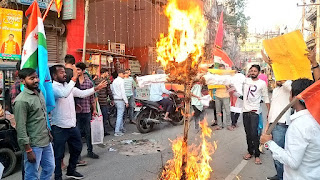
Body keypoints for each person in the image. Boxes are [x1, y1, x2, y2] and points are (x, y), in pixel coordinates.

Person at [50, 65, 107, 180]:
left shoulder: (67, 86)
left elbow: (81, 93)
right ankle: (58, 176)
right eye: (61, 73)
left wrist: (96, 89)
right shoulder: (53, 87)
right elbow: (64, 94)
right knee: (58, 154)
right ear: (54, 76)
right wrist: (74, 78)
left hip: (72, 125)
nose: (64, 74)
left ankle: (71, 171)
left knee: (77, 148)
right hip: (59, 127)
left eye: (64, 72)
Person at [261, 79, 320, 180]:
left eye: (290, 93)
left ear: (294, 97)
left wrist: (269, 143)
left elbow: (293, 162)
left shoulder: (299, 125)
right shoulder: (315, 119)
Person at [14, 68, 55, 180]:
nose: (36, 80)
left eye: (36, 77)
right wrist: (28, 149)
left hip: (45, 140)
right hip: (33, 144)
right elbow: (21, 128)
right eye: (31, 78)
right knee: (32, 175)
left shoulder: (39, 93)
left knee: (49, 168)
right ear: (22, 81)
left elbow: (42, 117)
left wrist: (48, 132)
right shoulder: (21, 101)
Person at [263, 80, 292, 180]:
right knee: (274, 153)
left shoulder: (289, 86)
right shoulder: (276, 90)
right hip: (272, 124)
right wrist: (267, 126)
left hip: (281, 125)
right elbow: (272, 110)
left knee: (279, 153)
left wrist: (284, 81)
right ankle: (279, 175)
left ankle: (282, 177)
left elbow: (292, 88)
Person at [242, 64, 270, 165]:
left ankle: (257, 155)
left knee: (255, 134)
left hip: (255, 112)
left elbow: (266, 97)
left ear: (258, 72)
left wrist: (269, 111)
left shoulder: (262, 83)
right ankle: (250, 151)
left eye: (255, 71)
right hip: (245, 112)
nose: (253, 72)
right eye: (251, 70)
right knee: (248, 134)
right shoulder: (245, 81)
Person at [75, 62, 99, 159]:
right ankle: (78, 155)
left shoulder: (88, 82)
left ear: (83, 71)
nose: (77, 72)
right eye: (76, 70)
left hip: (86, 111)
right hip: (76, 112)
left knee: (88, 133)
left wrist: (94, 109)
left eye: (79, 70)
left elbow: (91, 97)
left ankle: (90, 151)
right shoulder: (73, 82)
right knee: (78, 134)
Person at [95, 68, 114, 136]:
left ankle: (98, 131)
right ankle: (103, 132)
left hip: (97, 102)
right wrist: (112, 99)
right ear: (104, 73)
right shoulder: (105, 81)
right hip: (103, 102)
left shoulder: (96, 80)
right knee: (104, 117)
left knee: (98, 117)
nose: (108, 74)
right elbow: (109, 92)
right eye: (107, 73)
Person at [214, 64, 233, 131]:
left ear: (224, 69)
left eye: (222, 69)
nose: (221, 71)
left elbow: (230, 87)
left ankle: (228, 125)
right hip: (217, 95)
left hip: (225, 96)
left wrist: (226, 84)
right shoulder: (216, 77)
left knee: (227, 111)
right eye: (220, 69)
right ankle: (219, 125)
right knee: (218, 111)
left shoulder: (227, 77)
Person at [112, 69, 129, 136]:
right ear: (120, 74)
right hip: (120, 99)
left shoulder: (114, 81)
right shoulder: (121, 81)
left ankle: (121, 128)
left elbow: (112, 90)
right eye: (123, 74)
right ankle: (117, 131)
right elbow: (123, 92)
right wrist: (126, 101)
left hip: (115, 99)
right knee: (120, 115)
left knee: (119, 115)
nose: (124, 75)